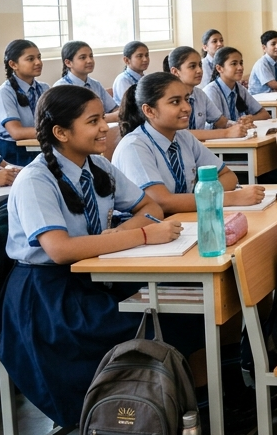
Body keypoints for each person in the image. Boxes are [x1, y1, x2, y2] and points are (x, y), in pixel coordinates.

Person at [0, 85, 201, 428]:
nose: (105, 127)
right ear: (61, 133)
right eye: (93, 121)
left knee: (189, 313)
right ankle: (121, 413)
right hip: (48, 298)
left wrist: (125, 232)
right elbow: (60, 249)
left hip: (96, 277)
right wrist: (139, 235)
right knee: (155, 328)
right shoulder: (37, 179)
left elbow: (148, 205)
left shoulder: (98, 166)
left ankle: (176, 408)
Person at [114, 72, 265, 213]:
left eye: (186, 99)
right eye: (175, 102)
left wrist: (201, 198)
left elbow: (228, 176)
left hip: (184, 220)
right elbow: (160, 202)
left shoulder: (183, 137)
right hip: (151, 229)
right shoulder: (134, 146)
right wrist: (229, 198)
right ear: (149, 111)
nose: (187, 107)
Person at [163, 47, 250, 141]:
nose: (199, 70)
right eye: (192, 66)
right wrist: (226, 133)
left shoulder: (200, 94)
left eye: (200, 65)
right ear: (175, 72)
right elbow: (180, 134)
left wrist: (239, 126)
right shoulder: (168, 98)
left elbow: (221, 121)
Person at [1, 39, 49, 166]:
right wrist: (53, 132)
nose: (38, 62)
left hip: (42, 148)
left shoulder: (44, 88)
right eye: (30, 59)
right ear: (13, 64)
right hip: (15, 153)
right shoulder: (5, 92)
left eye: (39, 57)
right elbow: (17, 132)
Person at [54, 41, 119, 123]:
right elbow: (74, 121)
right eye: (83, 57)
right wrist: (109, 117)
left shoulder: (95, 84)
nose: (89, 61)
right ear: (68, 63)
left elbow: (114, 109)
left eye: (91, 56)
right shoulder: (60, 88)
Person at [203, 47, 271, 123]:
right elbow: (216, 124)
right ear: (219, 68)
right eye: (234, 64)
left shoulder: (239, 89)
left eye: (241, 63)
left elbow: (265, 114)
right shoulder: (211, 91)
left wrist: (251, 118)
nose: (240, 67)